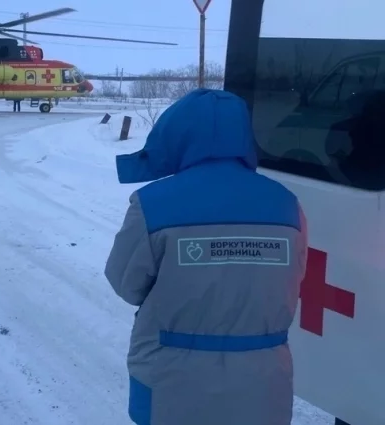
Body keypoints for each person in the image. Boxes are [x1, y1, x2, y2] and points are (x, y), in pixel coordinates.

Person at [104, 89, 308, 425]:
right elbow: (292, 278)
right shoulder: (288, 204)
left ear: (177, 134)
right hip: (263, 385)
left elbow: (126, 284)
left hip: (171, 383)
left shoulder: (153, 203)